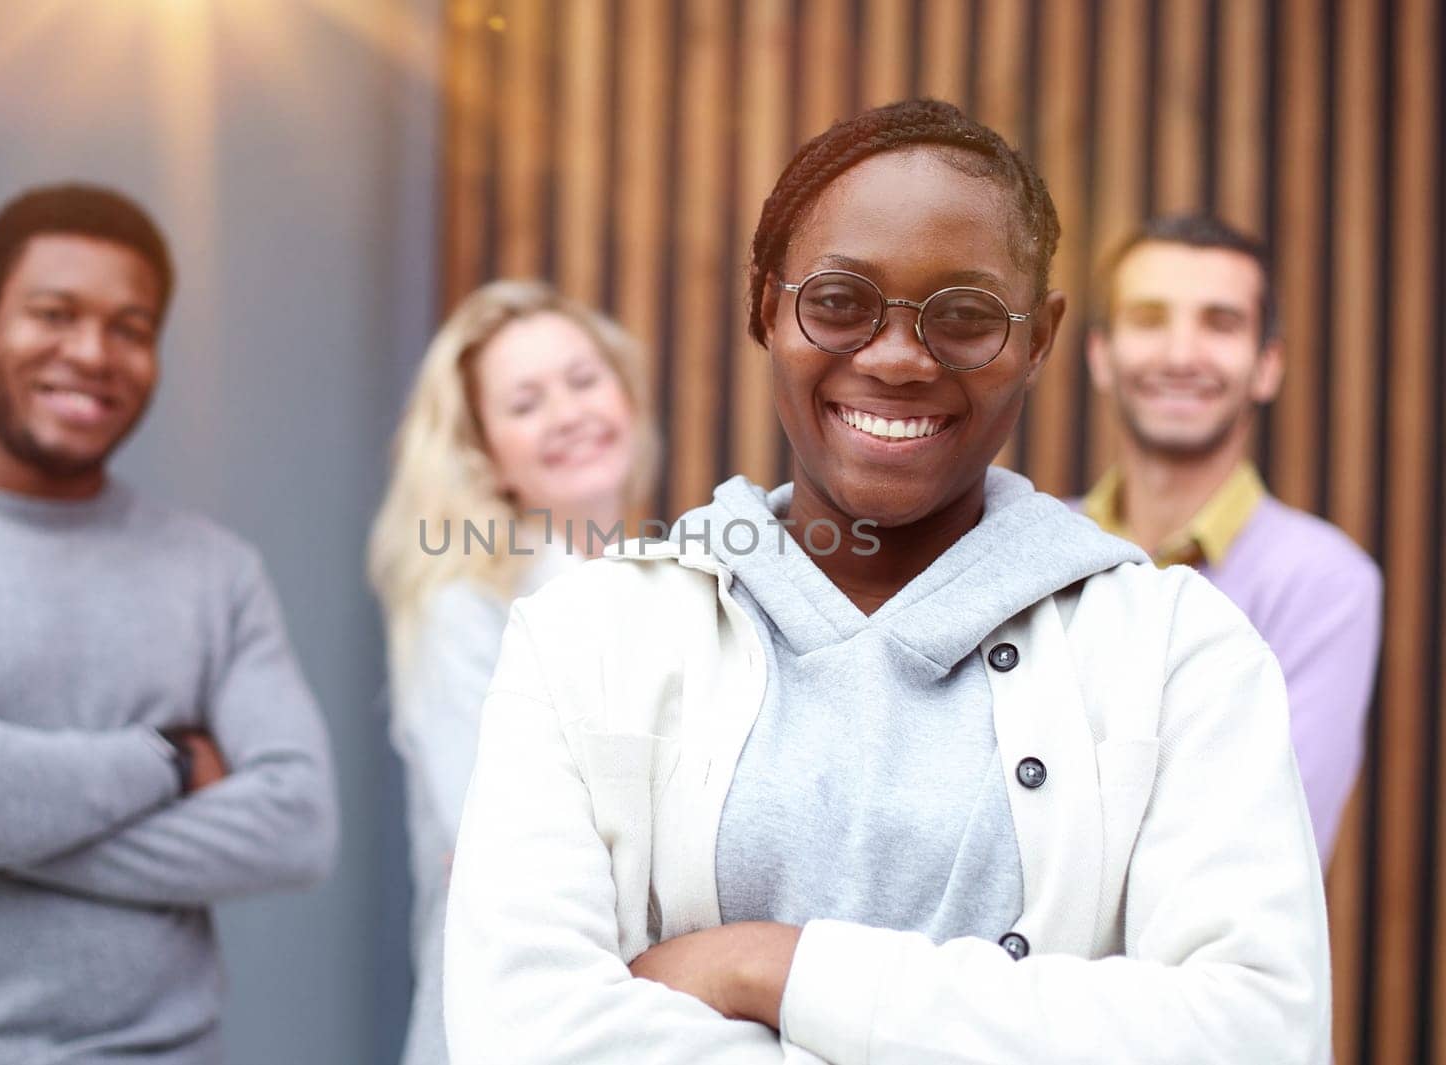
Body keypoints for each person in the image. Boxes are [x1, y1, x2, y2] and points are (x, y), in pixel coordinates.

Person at [442, 100, 1330, 1064]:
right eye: (837, 301)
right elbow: (522, 1032)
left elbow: (1257, 1034)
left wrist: (772, 966)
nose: (898, 357)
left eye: (964, 316)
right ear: (764, 308)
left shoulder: (1180, 652)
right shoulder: (585, 637)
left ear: (1040, 341)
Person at [0, 183, 339, 1063]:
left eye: (131, 328)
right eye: (54, 313)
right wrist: (170, 760)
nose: (93, 352)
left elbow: (298, 824)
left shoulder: (215, 570)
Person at [367, 279, 658, 1065]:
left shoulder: (675, 581)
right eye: (525, 403)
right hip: (518, 1020)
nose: (568, 415)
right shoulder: (463, 602)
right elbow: (496, 840)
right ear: (484, 451)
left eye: (584, 380)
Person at [1081, 214, 1382, 871]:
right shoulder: (1032, 549)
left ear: (1266, 367)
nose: (1181, 353)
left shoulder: (1326, 581)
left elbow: (1267, 853)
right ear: (1101, 355)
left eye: (1219, 323)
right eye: (1150, 318)